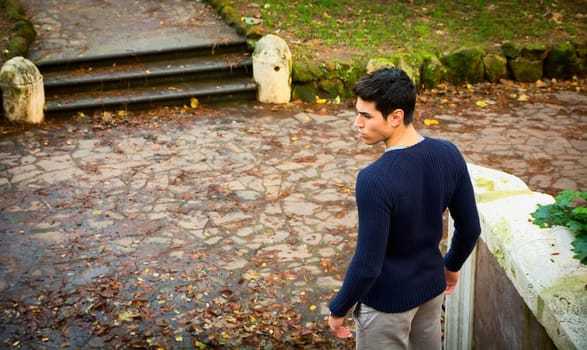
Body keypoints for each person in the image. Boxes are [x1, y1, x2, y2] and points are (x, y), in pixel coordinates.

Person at [327, 68, 481, 349]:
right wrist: (451, 267)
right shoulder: (448, 153)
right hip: (432, 291)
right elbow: (470, 228)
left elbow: (367, 264)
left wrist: (339, 308)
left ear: (396, 116)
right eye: (357, 113)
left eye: (366, 115)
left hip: (387, 305)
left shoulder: (374, 179)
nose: (356, 123)